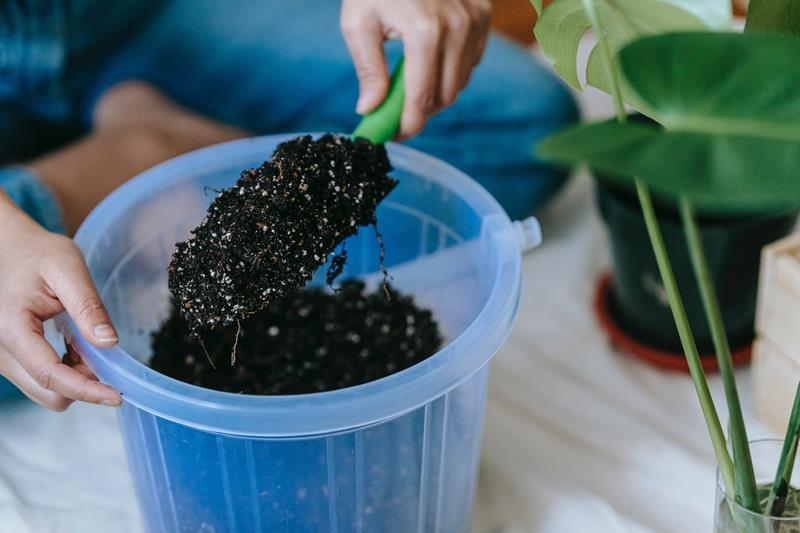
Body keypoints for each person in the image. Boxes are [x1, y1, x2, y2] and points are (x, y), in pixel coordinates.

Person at [0, 0, 577, 410]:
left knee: (522, 125)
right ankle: (138, 152)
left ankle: (126, 170)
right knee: (25, 345)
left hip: (126, 16)